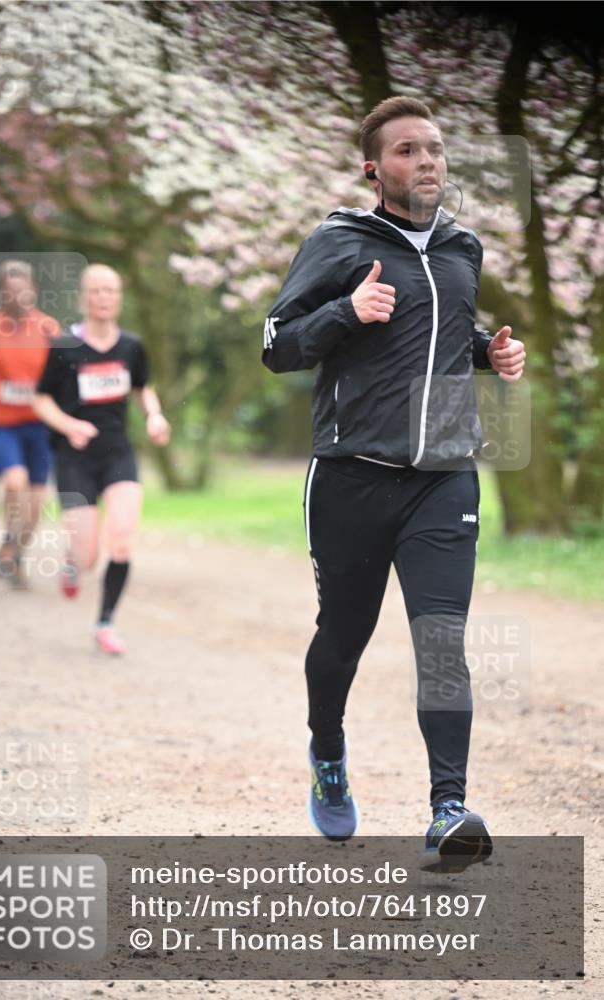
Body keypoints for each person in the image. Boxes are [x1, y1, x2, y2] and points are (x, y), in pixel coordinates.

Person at [262, 96, 526, 864]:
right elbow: (279, 345)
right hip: (351, 476)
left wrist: (487, 353)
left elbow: (439, 336)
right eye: (408, 150)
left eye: (435, 148)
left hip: (443, 475)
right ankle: (328, 755)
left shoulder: (462, 247)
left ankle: (448, 807)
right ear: (374, 168)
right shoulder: (338, 241)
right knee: (343, 634)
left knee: (441, 640)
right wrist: (346, 309)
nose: (428, 161)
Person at [33, 264, 171, 656]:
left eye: (111, 291)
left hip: (117, 453)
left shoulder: (131, 345)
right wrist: (69, 424)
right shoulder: (63, 347)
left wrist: (155, 416)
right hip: (74, 457)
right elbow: (40, 399)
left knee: (123, 541)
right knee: (87, 554)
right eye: (96, 291)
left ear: (119, 298)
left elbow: (144, 388)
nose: (104, 298)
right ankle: (73, 561)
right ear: (83, 297)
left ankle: (106, 621)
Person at [0, 261, 60, 588]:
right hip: (2, 423)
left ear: (33, 289)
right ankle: (8, 552)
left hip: (39, 425)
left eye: (23, 288)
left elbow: (65, 369)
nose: (18, 295)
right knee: (15, 484)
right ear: (2, 292)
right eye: (11, 289)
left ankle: (12, 553)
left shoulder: (48, 328)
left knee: (36, 503)